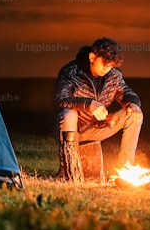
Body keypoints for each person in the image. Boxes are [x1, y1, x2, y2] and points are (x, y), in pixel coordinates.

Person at [53, 37, 143, 178]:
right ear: (92, 57)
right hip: (71, 130)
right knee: (68, 114)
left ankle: (125, 170)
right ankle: (68, 169)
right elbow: (60, 99)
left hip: (97, 127)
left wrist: (132, 104)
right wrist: (89, 104)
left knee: (135, 114)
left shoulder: (114, 75)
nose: (107, 70)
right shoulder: (71, 72)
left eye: (111, 66)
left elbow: (125, 92)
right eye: (104, 65)